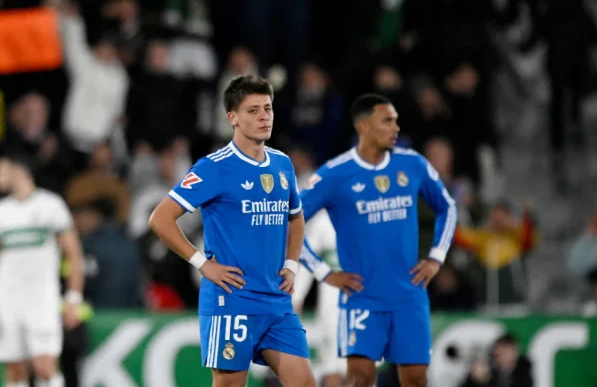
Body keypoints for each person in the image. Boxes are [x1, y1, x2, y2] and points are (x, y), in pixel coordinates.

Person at [147, 75, 315, 387]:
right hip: (231, 299)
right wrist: (202, 264)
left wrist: (291, 264)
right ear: (232, 118)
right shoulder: (214, 167)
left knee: (304, 382)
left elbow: (296, 217)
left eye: (268, 108)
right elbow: (160, 219)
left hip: (276, 300)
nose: (264, 116)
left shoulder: (282, 164)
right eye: (253, 111)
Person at [298, 94, 458, 387]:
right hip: (362, 297)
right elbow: (289, 221)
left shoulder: (412, 165)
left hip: (408, 296)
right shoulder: (336, 174)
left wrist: (436, 257)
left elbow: (447, 206)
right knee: (358, 378)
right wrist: (324, 272)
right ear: (363, 126)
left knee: (416, 378)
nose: (396, 127)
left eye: (396, 120)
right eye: (387, 121)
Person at [0, 154, 87, 387]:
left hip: (41, 298)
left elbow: (73, 254)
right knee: (14, 371)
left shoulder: (51, 205)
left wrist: (74, 297)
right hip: (7, 300)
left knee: (44, 366)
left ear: (18, 171)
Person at [291, 168, 344, 387]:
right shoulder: (324, 221)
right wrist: (297, 298)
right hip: (332, 303)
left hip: (366, 301)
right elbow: (305, 257)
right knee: (332, 367)